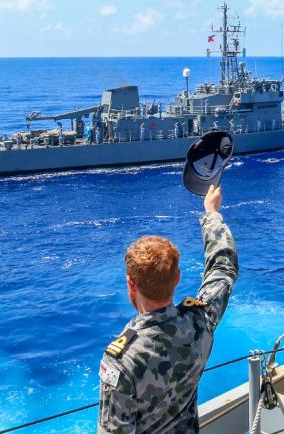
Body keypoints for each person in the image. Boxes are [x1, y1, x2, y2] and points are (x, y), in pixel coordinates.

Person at [97, 184, 238, 434]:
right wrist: (211, 212)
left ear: (131, 282)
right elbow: (222, 270)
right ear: (178, 277)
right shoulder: (199, 322)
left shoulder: (121, 359)